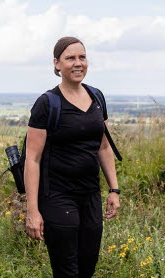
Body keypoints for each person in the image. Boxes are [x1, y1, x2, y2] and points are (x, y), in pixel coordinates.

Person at [24, 36, 121, 278]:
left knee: (87, 266)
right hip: (57, 196)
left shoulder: (97, 97)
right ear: (57, 64)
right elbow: (32, 160)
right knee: (67, 270)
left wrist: (114, 189)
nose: (78, 63)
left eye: (82, 57)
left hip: (89, 195)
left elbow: (104, 147)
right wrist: (33, 211)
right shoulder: (47, 103)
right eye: (70, 58)